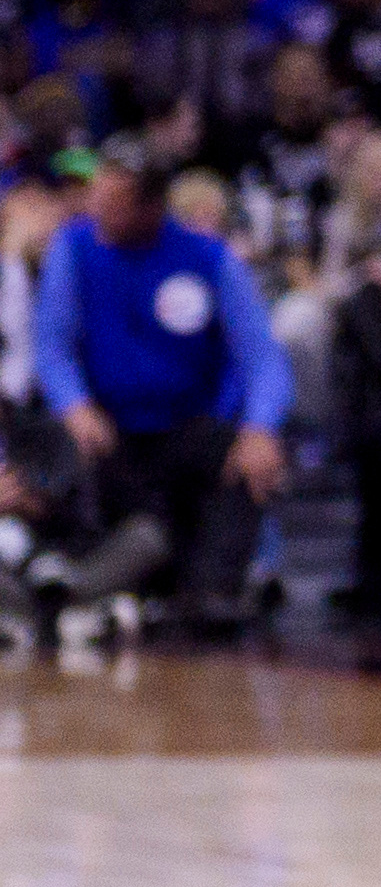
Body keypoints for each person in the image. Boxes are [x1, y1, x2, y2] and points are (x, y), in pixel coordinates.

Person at [28, 137, 291, 631]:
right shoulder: (74, 248)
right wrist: (76, 405)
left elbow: (264, 358)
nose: (97, 210)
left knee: (249, 454)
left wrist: (261, 426)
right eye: (97, 197)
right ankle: (67, 574)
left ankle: (215, 590)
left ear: (152, 205)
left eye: (114, 202)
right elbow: (52, 346)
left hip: (186, 425)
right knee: (61, 444)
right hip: (108, 430)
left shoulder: (208, 258)